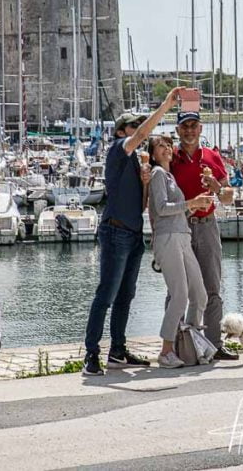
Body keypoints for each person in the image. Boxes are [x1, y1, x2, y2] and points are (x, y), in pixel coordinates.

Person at [82, 87, 185, 376]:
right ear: (120, 132)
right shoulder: (117, 150)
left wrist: (143, 181)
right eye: (133, 126)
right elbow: (141, 136)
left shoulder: (137, 163)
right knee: (106, 294)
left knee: (125, 296)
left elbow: (140, 205)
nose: (139, 130)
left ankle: (117, 351)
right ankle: (92, 354)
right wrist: (166, 105)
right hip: (115, 232)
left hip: (133, 234)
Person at [170, 110, 237, 359]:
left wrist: (217, 188)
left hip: (207, 225)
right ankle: (175, 345)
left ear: (201, 129)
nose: (189, 130)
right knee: (177, 290)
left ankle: (214, 345)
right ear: (177, 130)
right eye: (184, 126)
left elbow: (229, 198)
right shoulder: (170, 158)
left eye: (193, 126)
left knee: (212, 287)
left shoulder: (212, 157)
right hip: (180, 227)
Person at [147, 135, 211, 368]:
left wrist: (196, 206)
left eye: (167, 145)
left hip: (182, 235)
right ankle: (166, 351)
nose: (165, 148)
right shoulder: (157, 175)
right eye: (159, 146)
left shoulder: (169, 176)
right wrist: (191, 203)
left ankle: (192, 345)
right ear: (153, 155)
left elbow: (176, 211)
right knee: (180, 294)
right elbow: (162, 208)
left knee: (200, 294)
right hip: (167, 238)